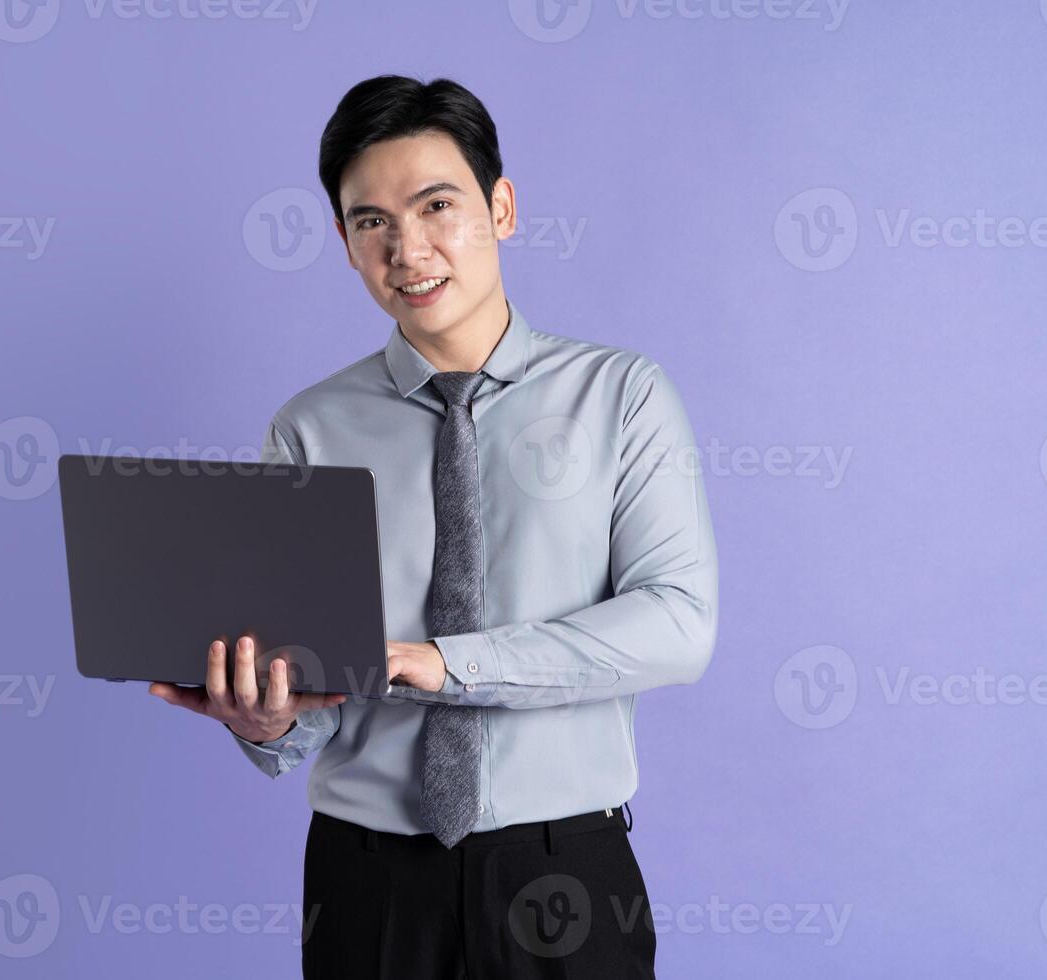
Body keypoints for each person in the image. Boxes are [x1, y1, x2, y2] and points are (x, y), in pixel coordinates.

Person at [149, 74, 718, 979]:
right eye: (370, 221)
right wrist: (262, 724)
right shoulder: (311, 429)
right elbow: (312, 705)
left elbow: (678, 624)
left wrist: (449, 664)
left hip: (562, 870)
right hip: (368, 882)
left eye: (437, 205)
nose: (407, 249)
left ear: (502, 207)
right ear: (344, 243)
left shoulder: (622, 397)